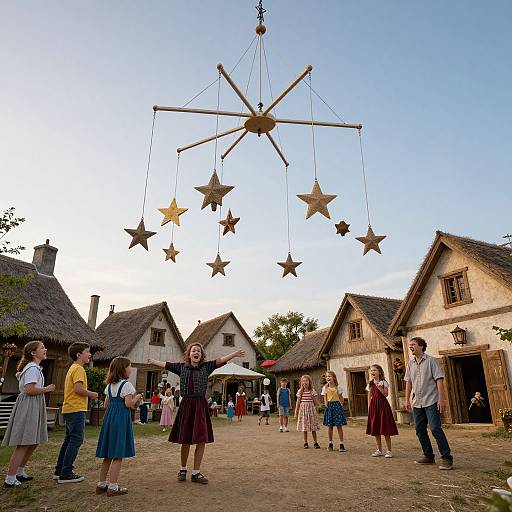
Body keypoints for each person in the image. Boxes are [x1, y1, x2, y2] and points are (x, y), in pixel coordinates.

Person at [148, 344, 245, 485]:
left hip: (200, 405)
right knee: (185, 440)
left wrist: (234, 354)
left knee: (201, 439)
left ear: (201, 355)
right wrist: (153, 361)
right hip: (186, 405)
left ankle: (196, 472)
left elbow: (220, 360)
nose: (196, 352)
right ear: (189, 354)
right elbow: (166, 365)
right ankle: (182, 470)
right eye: (193, 350)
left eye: (198, 351)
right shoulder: (181, 367)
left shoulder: (206, 367)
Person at [3, 341, 55, 488]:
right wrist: (47, 388)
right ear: (33, 353)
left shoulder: (34, 368)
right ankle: (10, 478)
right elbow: (30, 390)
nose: (45, 350)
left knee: (33, 440)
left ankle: (19, 471)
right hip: (29, 404)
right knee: (24, 441)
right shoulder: (32, 368)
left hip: (35, 404)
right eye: (42, 348)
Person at [95, 357, 143, 497]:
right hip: (121, 420)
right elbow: (128, 404)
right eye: (129, 366)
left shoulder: (109, 386)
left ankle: (101, 484)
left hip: (109, 420)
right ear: (123, 369)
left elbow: (105, 405)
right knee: (118, 454)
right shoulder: (127, 385)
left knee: (108, 454)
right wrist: (137, 398)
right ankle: (113, 487)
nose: (131, 368)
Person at [405, 337, 453, 470]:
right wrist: (406, 399)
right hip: (417, 402)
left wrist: (441, 399)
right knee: (419, 430)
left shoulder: (431, 361)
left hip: (431, 401)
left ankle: (446, 458)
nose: (411, 347)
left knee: (435, 428)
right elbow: (408, 382)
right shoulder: (410, 364)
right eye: (410, 345)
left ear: (421, 346)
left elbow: (439, 379)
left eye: (413, 344)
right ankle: (428, 455)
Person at [55, 342, 98, 483]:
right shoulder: (79, 369)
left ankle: (60, 470)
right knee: (76, 439)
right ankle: (66, 473)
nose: (90, 354)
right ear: (79, 354)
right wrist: (92, 393)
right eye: (87, 351)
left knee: (69, 439)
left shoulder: (72, 368)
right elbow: (78, 389)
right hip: (76, 408)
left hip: (69, 408)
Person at [365, 364, 398, 458]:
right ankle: (379, 450)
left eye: (374, 370)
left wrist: (379, 387)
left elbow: (386, 394)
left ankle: (389, 450)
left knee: (385, 428)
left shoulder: (383, 382)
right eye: (371, 371)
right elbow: (369, 396)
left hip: (383, 406)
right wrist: (369, 408)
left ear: (379, 372)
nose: (372, 372)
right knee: (376, 429)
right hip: (374, 407)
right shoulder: (370, 384)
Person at [322, 370, 347, 452]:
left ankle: (341, 444)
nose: (328, 378)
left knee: (339, 426)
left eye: (329, 376)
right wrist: (326, 405)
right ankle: (330, 443)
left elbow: (341, 398)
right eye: (326, 376)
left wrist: (341, 405)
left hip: (337, 407)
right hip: (329, 407)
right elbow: (325, 398)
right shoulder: (325, 388)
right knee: (330, 426)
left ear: (334, 378)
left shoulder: (338, 388)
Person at [295, 375, 320, 449]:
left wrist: (320, 407)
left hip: (311, 411)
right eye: (303, 381)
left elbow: (316, 402)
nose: (305, 382)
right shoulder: (300, 391)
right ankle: (305, 442)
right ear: (301, 382)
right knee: (304, 427)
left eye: (306, 380)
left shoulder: (312, 391)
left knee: (313, 428)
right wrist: (296, 412)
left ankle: (315, 442)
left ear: (309, 382)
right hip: (303, 411)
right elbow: (298, 402)